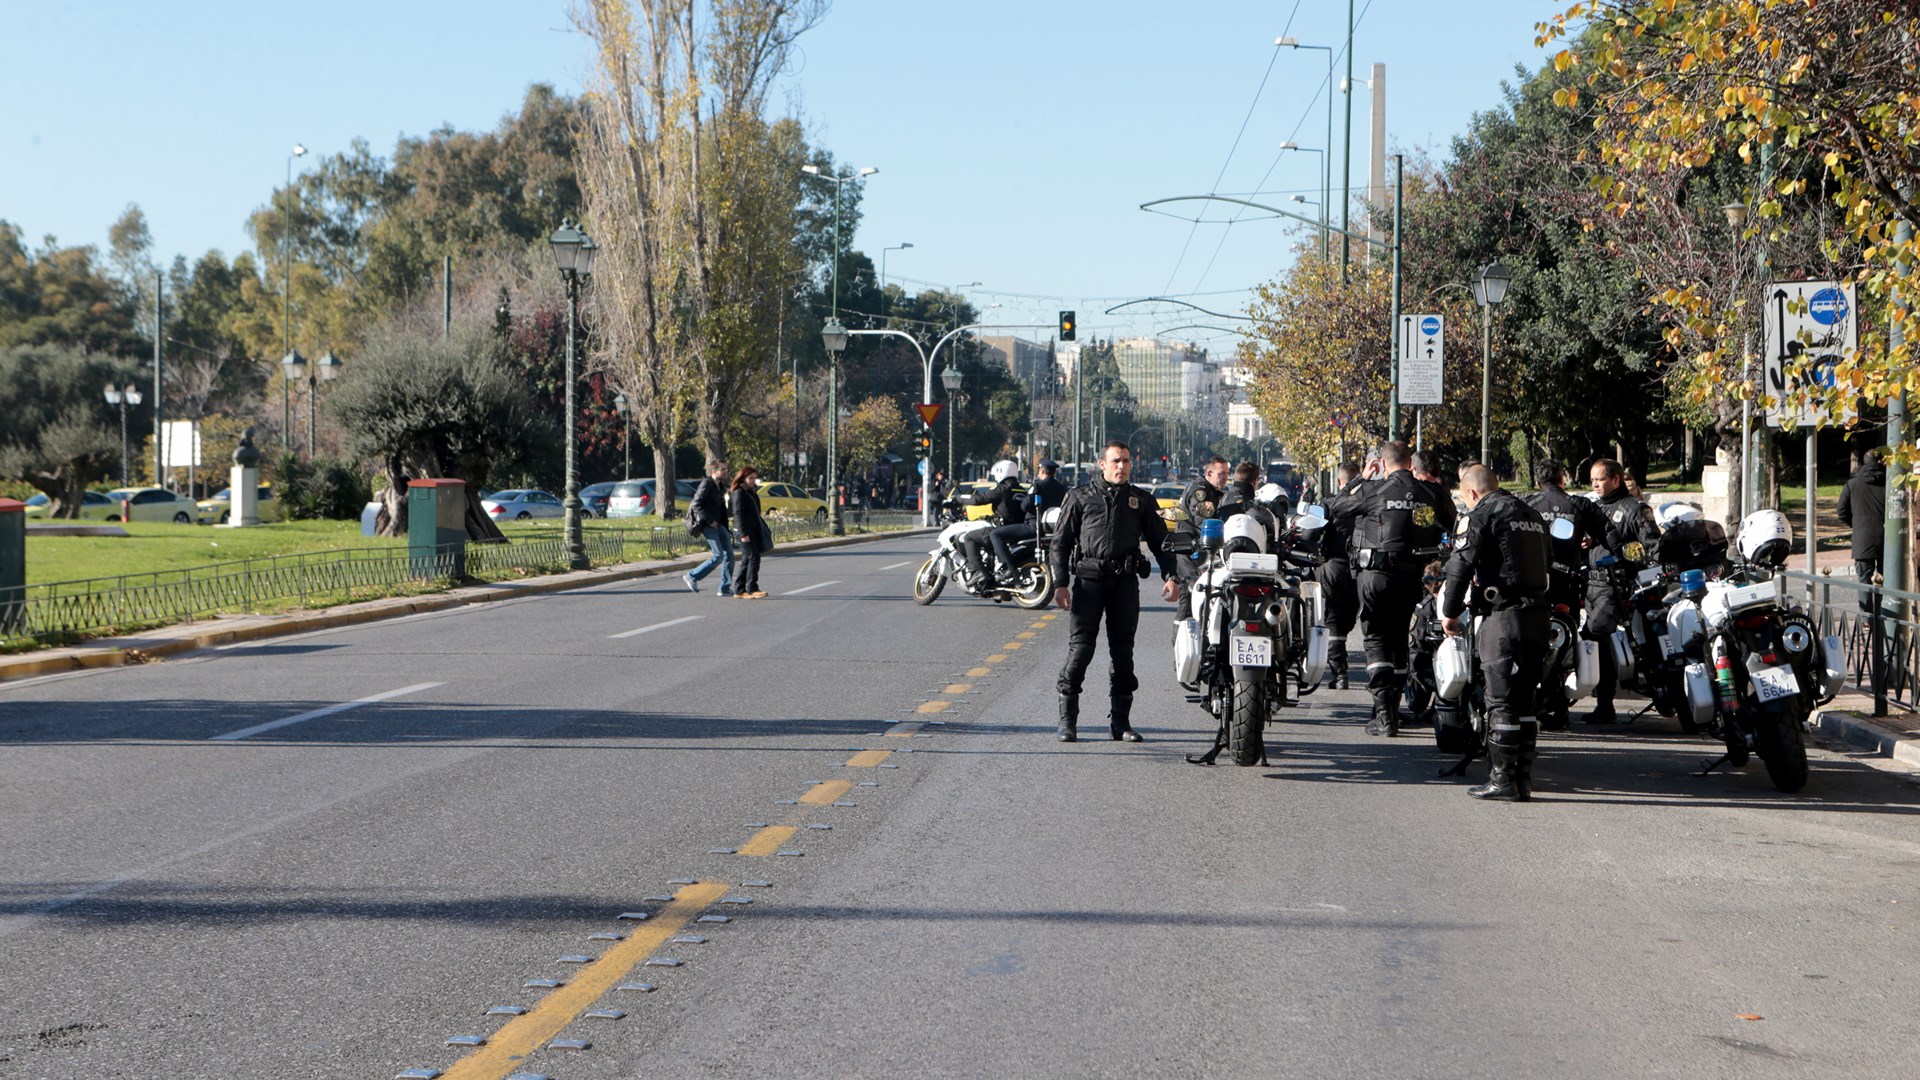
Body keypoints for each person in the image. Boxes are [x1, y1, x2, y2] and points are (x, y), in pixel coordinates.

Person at [1050, 441, 1179, 743]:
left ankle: (1120, 723)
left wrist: (1171, 576)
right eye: (1116, 461)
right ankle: (1068, 722)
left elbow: (1161, 542)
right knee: (1081, 650)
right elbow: (1060, 543)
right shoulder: (1080, 497)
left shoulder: (1141, 500)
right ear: (1102, 464)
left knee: (1123, 654)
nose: (1122, 466)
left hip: (1124, 584)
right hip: (1089, 582)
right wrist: (1059, 583)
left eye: (1126, 461)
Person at [1441, 465, 1552, 801]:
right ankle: (1523, 779)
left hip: (1503, 617)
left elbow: (1459, 567)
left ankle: (1502, 779)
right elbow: (1549, 562)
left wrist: (1450, 612)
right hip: (1538, 615)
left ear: (1472, 492)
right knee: (1526, 700)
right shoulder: (1532, 515)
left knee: (1501, 701)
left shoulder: (1481, 515)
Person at [1326, 440, 1450, 736]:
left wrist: (1360, 478)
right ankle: (1392, 710)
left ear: (1382, 463)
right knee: (1398, 641)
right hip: (1412, 577)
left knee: (1376, 640)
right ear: (1410, 464)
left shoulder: (1373, 489)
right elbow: (1454, 524)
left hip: (1375, 577)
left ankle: (1384, 716)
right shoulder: (1430, 492)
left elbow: (1334, 507)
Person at [1523, 461, 1612, 729]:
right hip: (1566, 586)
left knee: (1529, 645)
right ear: (1563, 479)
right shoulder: (1580, 505)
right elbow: (1611, 535)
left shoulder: (1526, 504)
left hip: (1532, 587)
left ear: (1537, 481)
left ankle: (1530, 704)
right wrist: (1591, 543)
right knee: (1564, 646)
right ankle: (1558, 708)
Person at [1583, 458, 1661, 724]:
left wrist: (1644, 570)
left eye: (1600, 479)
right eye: (1592, 480)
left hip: (1617, 585)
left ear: (1616, 479)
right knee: (1592, 641)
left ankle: (1606, 704)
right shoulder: (1592, 508)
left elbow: (1653, 546)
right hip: (1591, 584)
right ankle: (1601, 703)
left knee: (1595, 634)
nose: (1595, 484)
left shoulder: (1634, 508)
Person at [1316, 461, 1363, 689]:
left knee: (1333, 618)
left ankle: (1340, 672)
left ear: (1338, 481)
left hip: (1332, 566)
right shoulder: (1368, 503)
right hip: (1361, 569)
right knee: (1347, 619)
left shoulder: (1328, 503)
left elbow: (1309, 533)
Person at [989, 459, 1068, 586]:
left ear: (1041, 471)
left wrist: (1024, 500)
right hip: (1051, 528)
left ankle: (1010, 569)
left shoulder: (1038, 485)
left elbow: (1025, 506)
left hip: (1033, 526)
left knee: (996, 534)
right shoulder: (1061, 488)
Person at [951, 460, 1027, 587]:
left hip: (1002, 531)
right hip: (1017, 531)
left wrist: (958, 499)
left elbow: (978, 499)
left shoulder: (1002, 489)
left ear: (1001, 472)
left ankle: (978, 571)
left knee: (969, 537)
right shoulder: (1021, 490)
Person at [1173, 457, 1231, 618]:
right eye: (1221, 473)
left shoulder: (1211, 491)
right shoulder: (1202, 492)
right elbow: (1203, 524)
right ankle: (1181, 633)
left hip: (1194, 553)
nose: (1225, 477)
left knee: (1196, 605)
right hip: (1191, 556)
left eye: (1227, 473)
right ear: (1209, 473)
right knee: (1189, 604)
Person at [1837, 447, 1887, 612]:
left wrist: (1856, 525)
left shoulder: (1852, 484)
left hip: (1862, 538)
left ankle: (1866, 619)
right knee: (1886, 579)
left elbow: (1841, 511)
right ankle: (1882, 615)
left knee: (1864, 580)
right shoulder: (1888, 482)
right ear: (1879, 462)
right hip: (1886, 537)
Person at [683, 461, 735, 596]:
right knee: (718, 556)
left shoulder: (720, 486)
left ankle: (724, 588)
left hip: (719, 525)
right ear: (714, 471)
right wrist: (710, 520)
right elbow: (696, 504)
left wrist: (726, 526)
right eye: (722, 469)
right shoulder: (706, 484)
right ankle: (692, 576)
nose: (725, 472)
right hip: (708, 525)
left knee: (730, 556)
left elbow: (721, 508)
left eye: (725, 469)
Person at [729, 466, 769, 599]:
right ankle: (752, 588)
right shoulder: (738, 493)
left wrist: (753, 491)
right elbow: (738, 515)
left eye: (754, 478)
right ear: (743, 478)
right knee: (754, 557)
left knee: (747, 559)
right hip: (745, 531)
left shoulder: (749, 492)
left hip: (752, 529)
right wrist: (743, 534)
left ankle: (739, 590)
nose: (753, 480)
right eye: (750, 478)